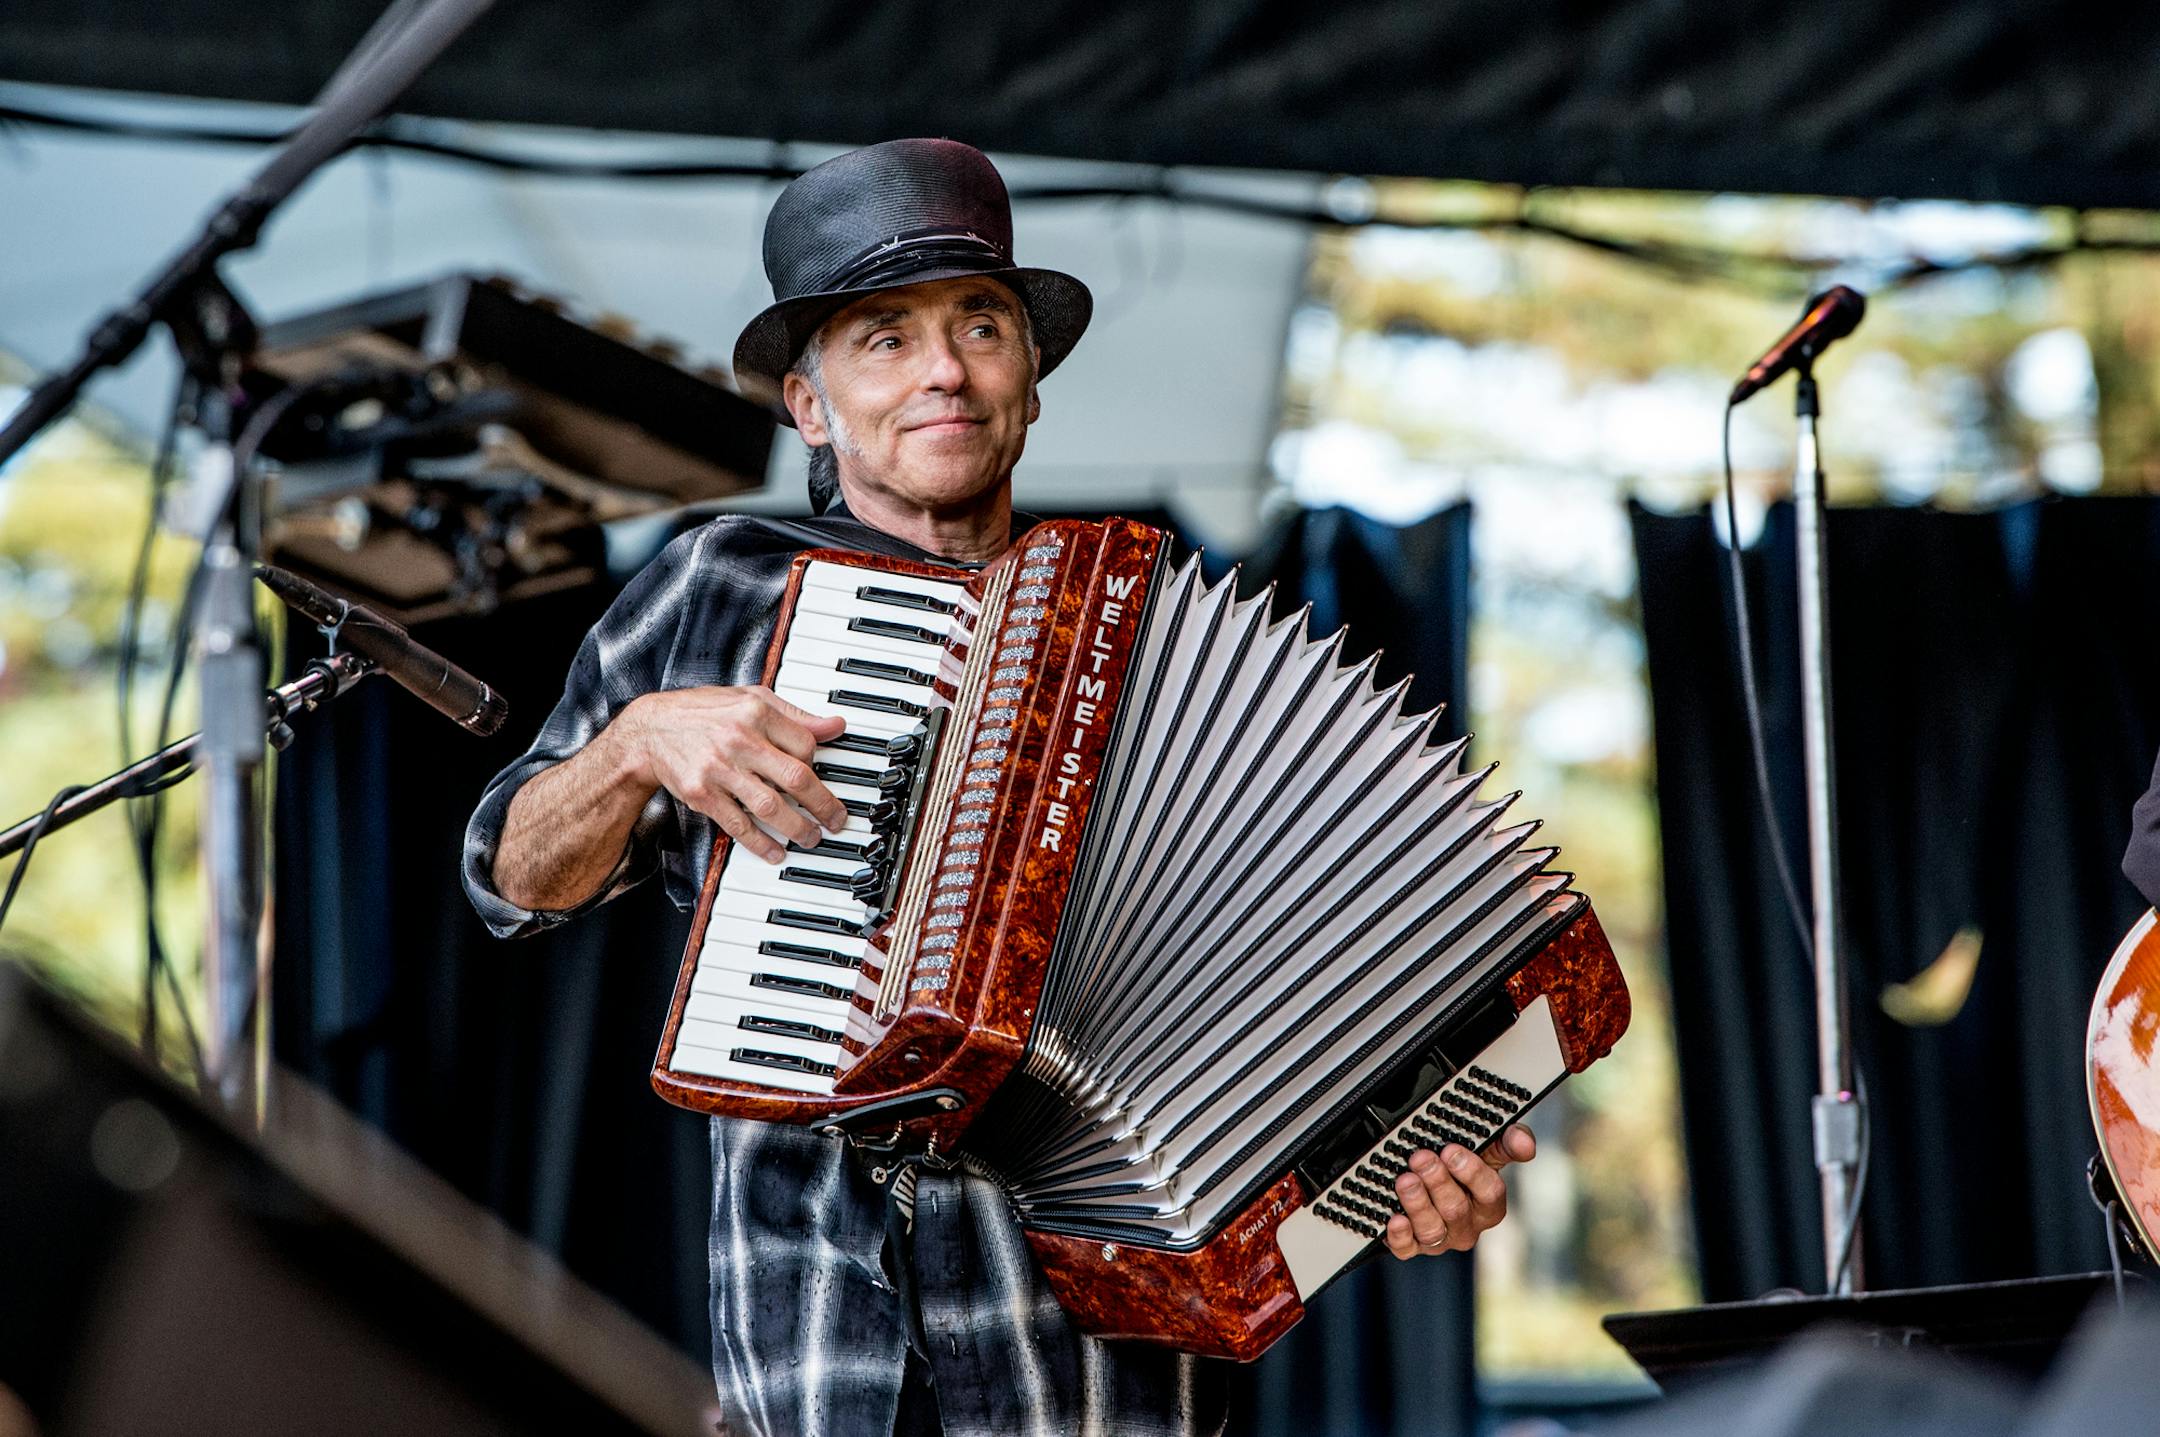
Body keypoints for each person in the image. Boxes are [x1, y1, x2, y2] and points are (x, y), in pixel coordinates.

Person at [463, 138, 1536, 1437]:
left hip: (1098, 1383)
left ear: (1029, 377)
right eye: (883, 337)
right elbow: (509, 878)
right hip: (821, 1355)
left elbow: (1274, 996)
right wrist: (634, 741)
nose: (944, 371)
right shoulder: (719, 585)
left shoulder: (1153, 639)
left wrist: (1404, 1172)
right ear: (810, 405)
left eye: (981, 325)